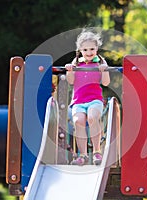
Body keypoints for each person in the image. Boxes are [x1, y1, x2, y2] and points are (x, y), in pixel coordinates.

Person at [65, 29, 110, 166]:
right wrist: (70, 70)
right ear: (80, 50)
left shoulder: (100, 62)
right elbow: (71, 81)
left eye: (92, 49)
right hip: (78, 101)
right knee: (79, 121)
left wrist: (105, 70)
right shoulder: (77, 62)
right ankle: (82, 155)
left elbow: (106, 83)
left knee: (92, 118)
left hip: (94, 99)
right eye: (85, 50)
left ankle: (97, 151)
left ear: (97, 48)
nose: (89, 52)